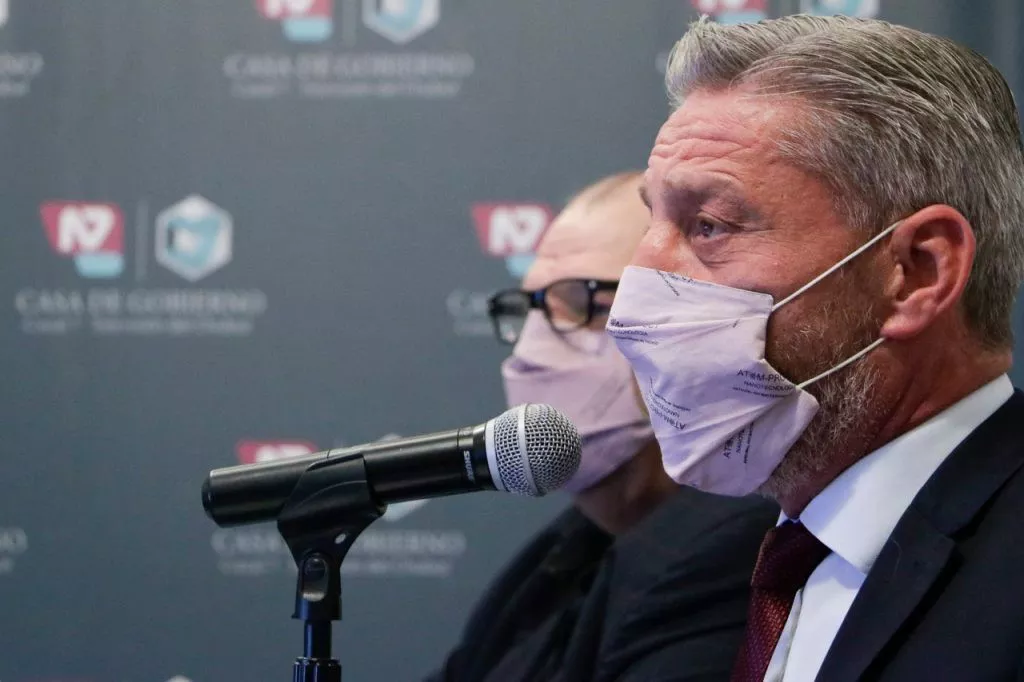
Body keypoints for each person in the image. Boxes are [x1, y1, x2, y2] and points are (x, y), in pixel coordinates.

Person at [605, 13, 1024, 682]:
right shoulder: (735, 566)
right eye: (652, 219)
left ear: (917, 272)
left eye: (708, 225)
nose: (635, 289)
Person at [427, 171, 778, 682]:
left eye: (584, 304)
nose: (531, 352)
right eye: (528, 309)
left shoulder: (731, 555)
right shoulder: (560, 553)